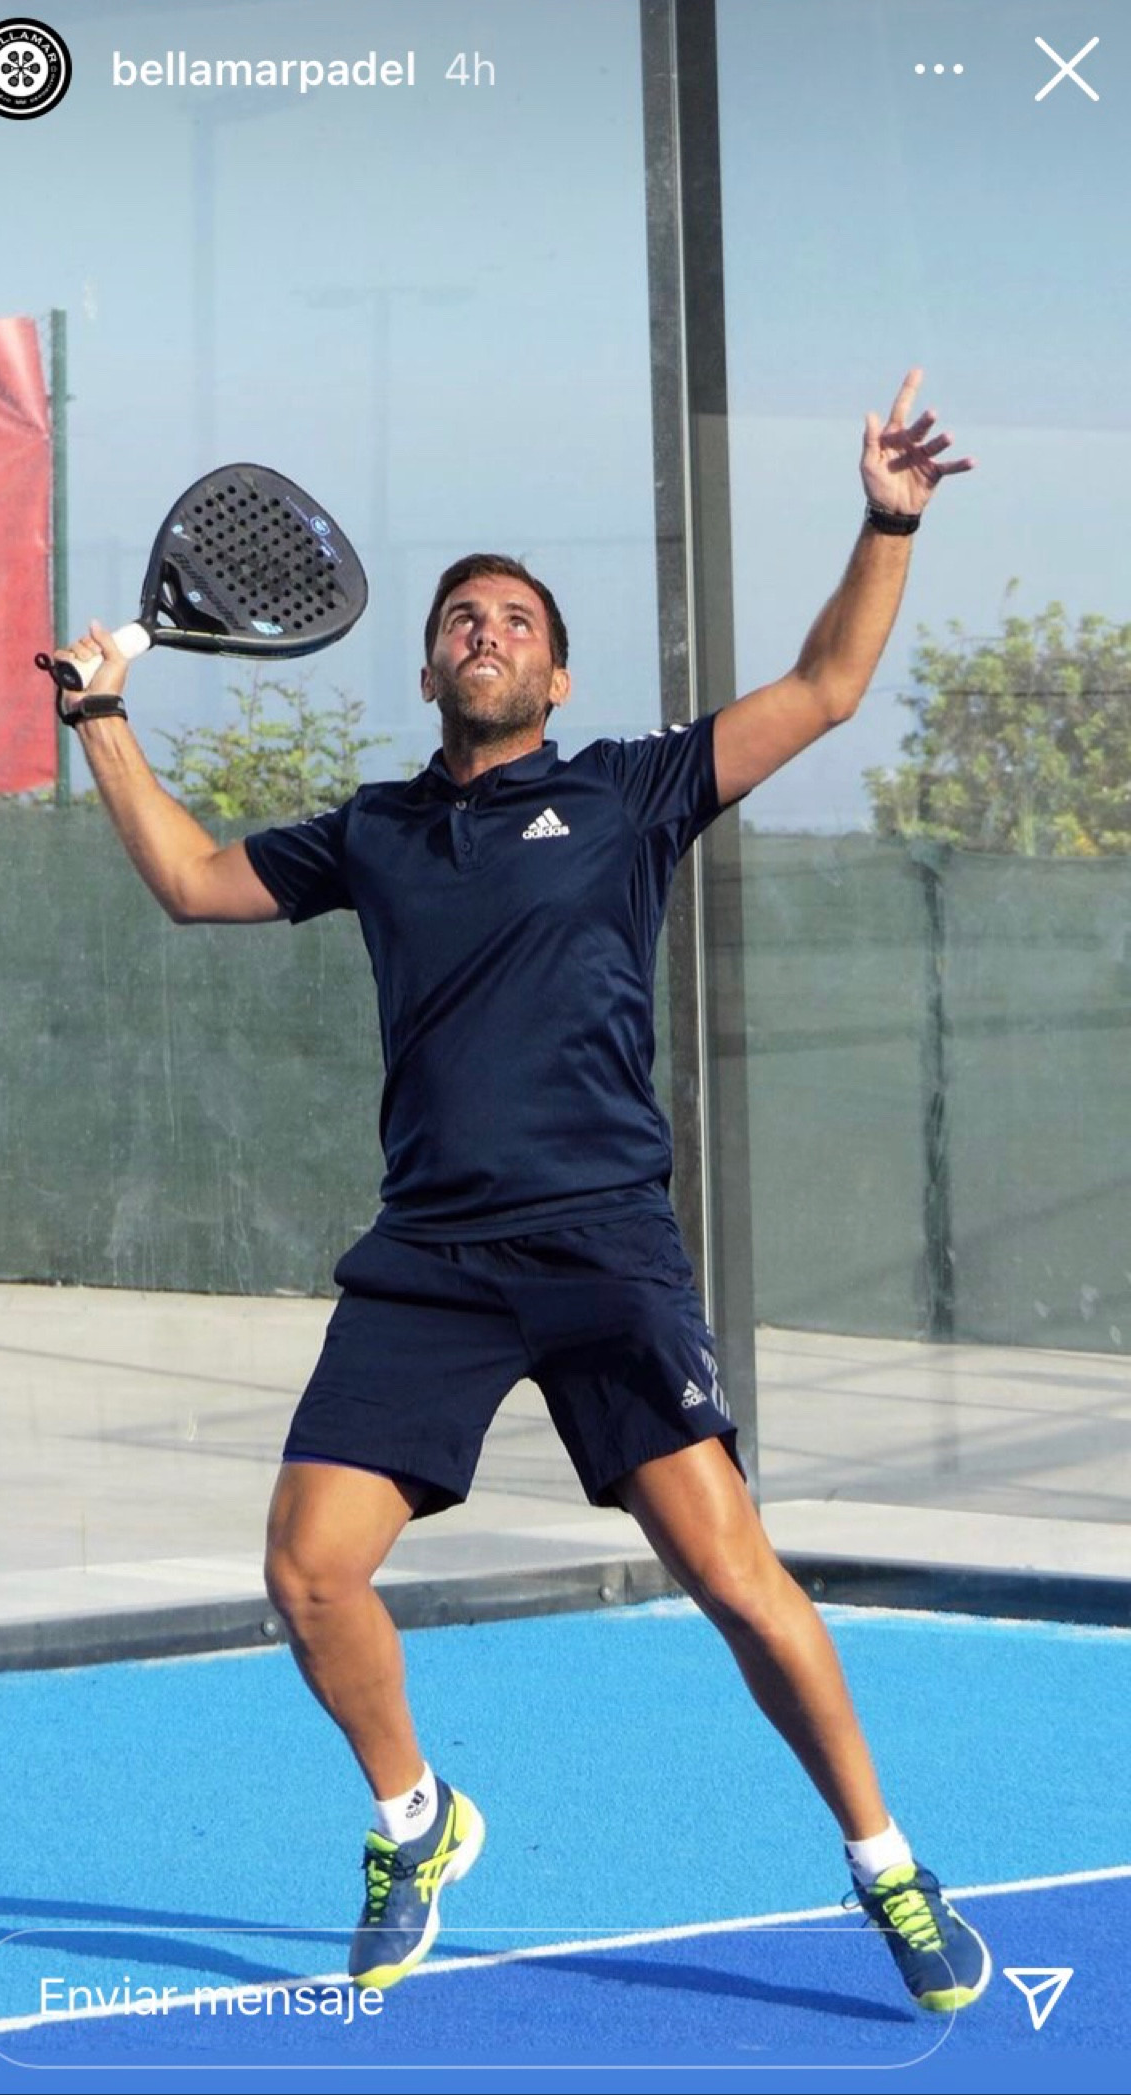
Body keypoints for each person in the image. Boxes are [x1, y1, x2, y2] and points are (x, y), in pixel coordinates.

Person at [56, 368, 989, 2016]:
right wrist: (100, 716)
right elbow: (196, 882)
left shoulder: (632, 791)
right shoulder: (374, 830)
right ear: (430, 670)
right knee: (308, 1570)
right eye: (460, 621)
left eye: (514, 620)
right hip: (431, 1258)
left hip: (602, 1244)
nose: (484, 632)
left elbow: (829, 687)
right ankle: (416, 1821)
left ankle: (887, 1865)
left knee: (733, 1577)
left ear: (555, 674)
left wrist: (887, 520)